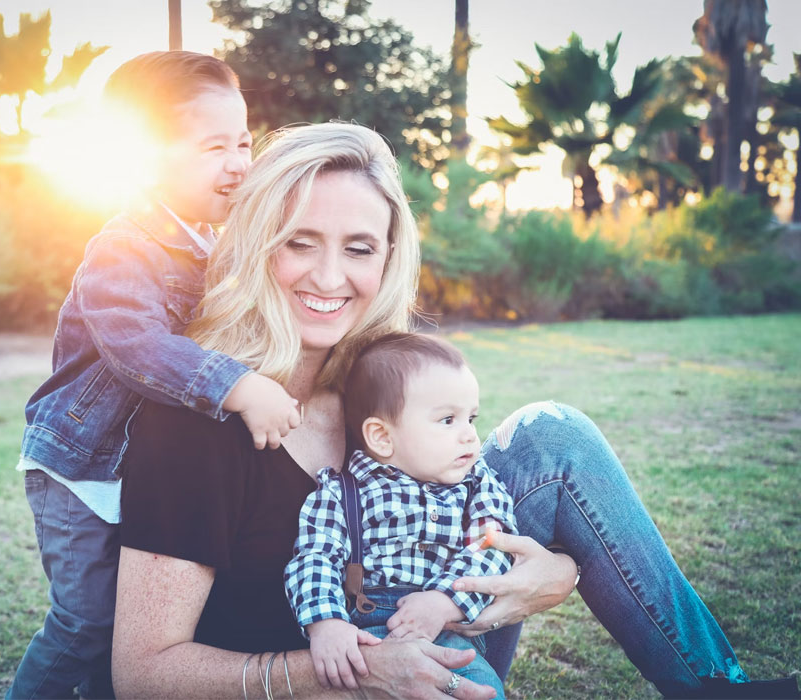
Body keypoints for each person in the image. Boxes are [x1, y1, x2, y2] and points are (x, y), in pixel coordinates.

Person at [112, 122, 795, 699]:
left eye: (358, 249)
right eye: (299, 242)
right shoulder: (196, 418)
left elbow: (471, 512)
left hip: (433, 647)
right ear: (258, 244)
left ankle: (716, 687)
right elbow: (142, 672)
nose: (328, 278)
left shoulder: (377, 383)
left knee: (554, 437)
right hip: (332, 680)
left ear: (387, 258)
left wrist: (551, 575)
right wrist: (350, 674)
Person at [6, 51, 301, 700]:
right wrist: (236, 385)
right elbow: (136, 345)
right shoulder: (124, 245)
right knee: (85, 622)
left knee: (131, 629)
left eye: (244, 141)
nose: (238, 161)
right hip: (80, 470)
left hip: (137, 468)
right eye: (214, 146)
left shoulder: (213, 244)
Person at [285, 332, 516, 699]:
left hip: (447, 633)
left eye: (471, 418)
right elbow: (315, 557)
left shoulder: (478, 483)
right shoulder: (343, 491)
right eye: (447, 420)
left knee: (479, 691)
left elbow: (493, 546)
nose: (470, 437)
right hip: (365, 636)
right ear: (381, 436)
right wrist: (325, 623)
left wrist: (445, 602)